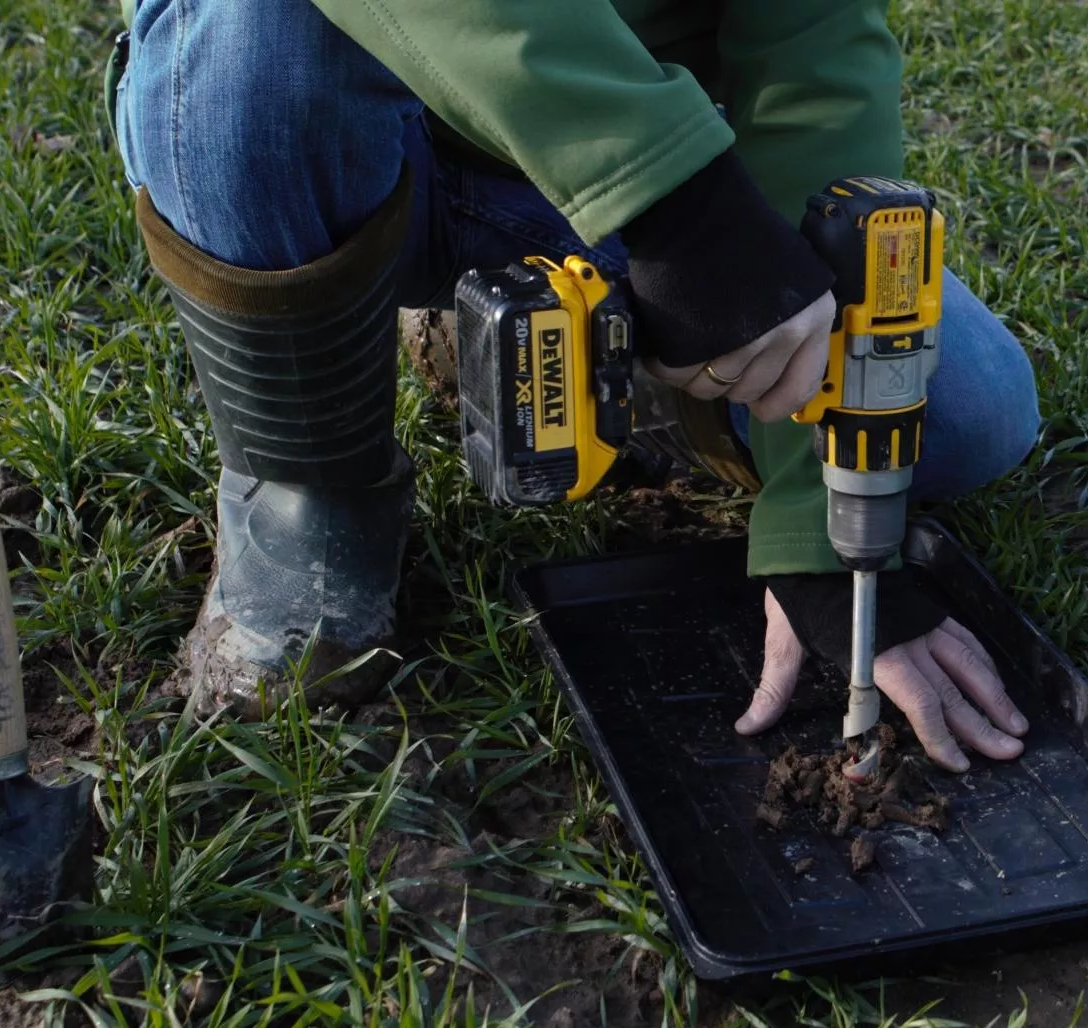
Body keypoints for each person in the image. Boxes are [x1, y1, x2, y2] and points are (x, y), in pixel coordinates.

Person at [108, 0, 1040, 773]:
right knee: (248, 52)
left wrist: (816, 520)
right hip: (356, 139)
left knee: (963, 413)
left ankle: (617, 351)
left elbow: (812, 48)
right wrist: (675, 208)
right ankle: (311, 488)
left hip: (628, 183)